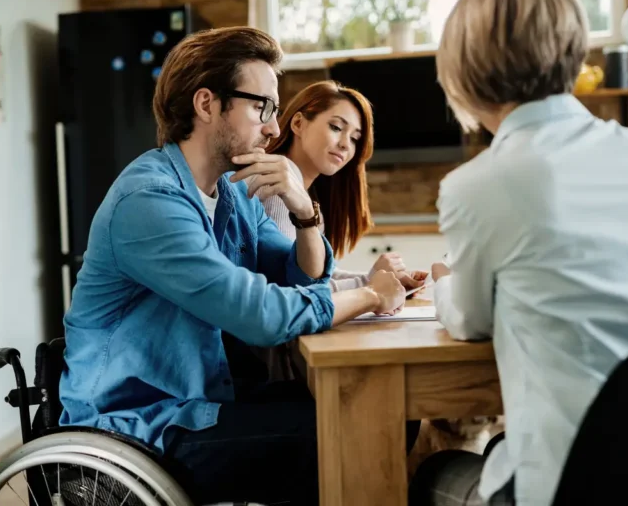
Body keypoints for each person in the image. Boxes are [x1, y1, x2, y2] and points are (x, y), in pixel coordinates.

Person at [58, 26, 406, 506]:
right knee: (348, 428)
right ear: (207, 105)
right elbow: (263, 316)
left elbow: (299, 275)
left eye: (274, 110)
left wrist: (304, 211)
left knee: (364, 408)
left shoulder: (234, 192)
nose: (273, 128)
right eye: (261, 106)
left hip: (202, 401)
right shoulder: (150, 201)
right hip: (140, 428)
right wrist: (369, 294)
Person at [410, 0, 628, 505]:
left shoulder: (478, 183)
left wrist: (442, 281)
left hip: (568, 486)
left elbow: (471, 321)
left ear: (465, 70)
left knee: (432, 470)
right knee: (503, 442)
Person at [243, 80, 427, 381]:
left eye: (355, 138)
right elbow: (296, 294)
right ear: (299, 123)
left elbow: (318, 277)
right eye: (336, 127)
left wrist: (380, 282)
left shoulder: (306, 199)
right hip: (269, 368)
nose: (346, 145)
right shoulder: (276, 193)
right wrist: (369, 286)